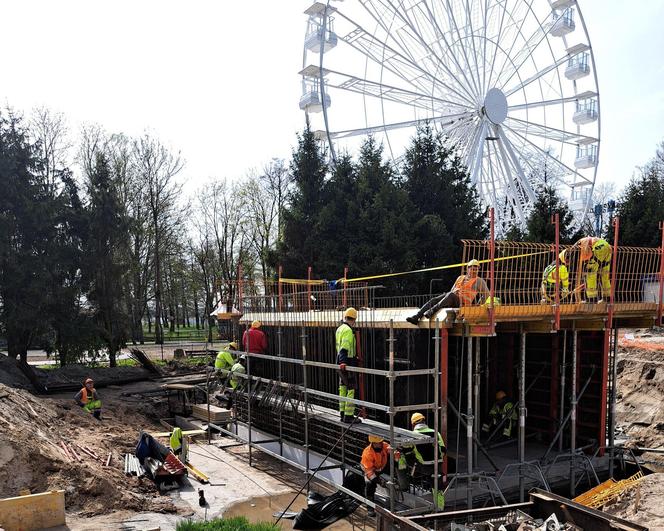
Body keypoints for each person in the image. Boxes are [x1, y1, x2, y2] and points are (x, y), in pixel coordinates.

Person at [406, 259, 489, 325]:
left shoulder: (479, 281)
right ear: (468, 269)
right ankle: (416, 317)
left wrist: (478, 305)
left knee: (450, 295)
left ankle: (433, 310)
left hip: (463, 304)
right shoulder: (460, 277)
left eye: (476, 269)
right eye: (473, 269)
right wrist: (455, 291)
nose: (474, 271)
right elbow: (452, 291)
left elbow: (487, 294)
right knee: (434, 299)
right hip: (453, 298)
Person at [402, 413, 446, 508]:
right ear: (424, 421)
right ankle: (440, 508)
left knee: (402, 455)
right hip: (437, 466)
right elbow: (443, 450)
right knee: (438, 488)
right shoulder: (436, 433)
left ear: (413, 424)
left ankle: (406, 482)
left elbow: (406, 449)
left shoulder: (412, 435)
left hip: (423, 468)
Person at [361, 435, 399, 517]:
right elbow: (370, 473)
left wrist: (396, 456)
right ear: (373, 443)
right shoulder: (367, 453)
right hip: (370, 470)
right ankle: (370, 508)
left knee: (393, 463)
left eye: (380, 442)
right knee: (370, 484)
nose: (380, 444)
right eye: (377, 443)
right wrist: (380, 482)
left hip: (381, 467)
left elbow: (392, 451)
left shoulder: (384, 445)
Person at [337, 307, 360, 423]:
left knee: (343, 388)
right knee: (351, 388)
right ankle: (349, 416)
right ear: (354, 319)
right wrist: (344, 362)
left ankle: (342, 413)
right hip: (347, 363)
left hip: (340, 363)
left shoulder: (340, 328)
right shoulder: (348, 330)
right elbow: (344, 347)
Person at [576, 236, 612, 303]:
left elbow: (587, 254)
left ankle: (592, 299)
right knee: (605, 276)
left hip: (598, 248)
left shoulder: (580, 243)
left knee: (590, 275)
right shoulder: (591, 240)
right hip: (607, 246)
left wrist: (586, 263)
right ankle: (607, 298)